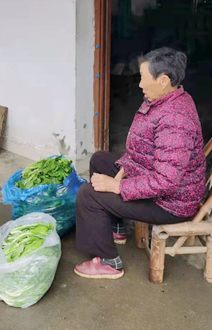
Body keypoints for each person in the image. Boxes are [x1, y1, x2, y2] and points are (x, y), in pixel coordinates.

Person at [74, 47, 205, 280]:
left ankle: (109, 262)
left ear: (163, 81)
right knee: (101, 160)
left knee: (88, 195)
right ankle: (116, 228)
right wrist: (125, 167)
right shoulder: (165, 100)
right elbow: (144, 149)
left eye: (144, 78)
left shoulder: (176, 119)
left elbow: (166, 181)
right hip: (159, 183)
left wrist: (117, 187)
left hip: (171, 203)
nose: (140, 84)